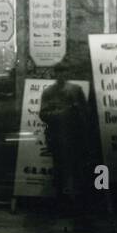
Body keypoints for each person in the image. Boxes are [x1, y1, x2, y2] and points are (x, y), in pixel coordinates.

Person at [39, 63, 88, 210]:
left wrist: (77, 112)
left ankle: (77, 204)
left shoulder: (76, 90)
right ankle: (61, 203)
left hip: (74, 135)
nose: (61, 76)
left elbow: (85, 113)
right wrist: (63, 113)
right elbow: (43, 114)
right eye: (59, 73)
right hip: (57, 136)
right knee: (59, 169)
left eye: (64, 72)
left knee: (76, 169)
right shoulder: (48, 92)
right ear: (55, 74)